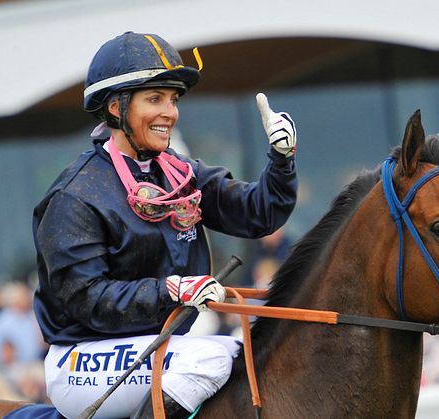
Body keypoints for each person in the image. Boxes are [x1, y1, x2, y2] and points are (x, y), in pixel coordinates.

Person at [32, 32, 297, 419]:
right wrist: (171, 290)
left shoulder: (178, 173)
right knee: (213, 356)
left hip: (160, 344)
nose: (170, 112)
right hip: (82, 359)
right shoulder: (75, 197)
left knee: (254, 350)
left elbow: (259, 214)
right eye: (154, 99)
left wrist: (281, 161)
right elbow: (87, 300)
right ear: (115, 108)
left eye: (172, 100)